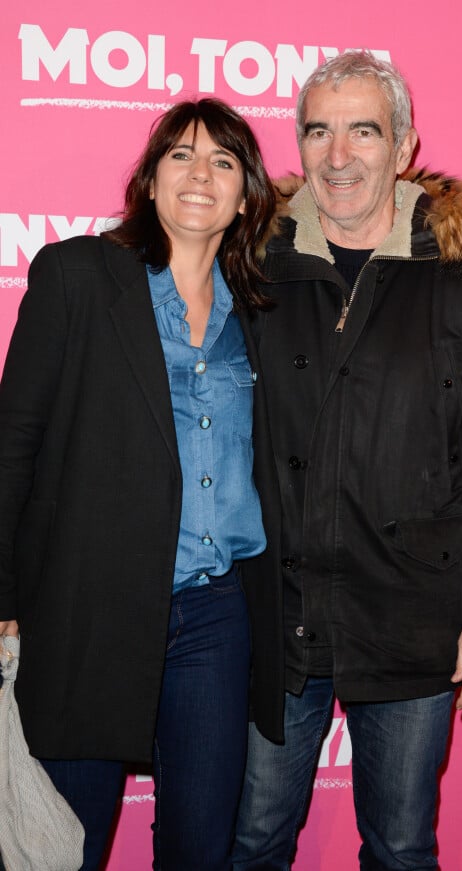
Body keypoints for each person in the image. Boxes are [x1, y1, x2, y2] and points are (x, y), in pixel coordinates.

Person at [233, 51, 462, 871]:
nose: (339, 156)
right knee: (252, 840)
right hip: (277, 615)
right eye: (319, 131)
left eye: (363, 130)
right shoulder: (251, 268)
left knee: (402, 847)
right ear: (297, 146)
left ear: (405, 144)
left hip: (415, 617)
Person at [0, 97, 275, 871]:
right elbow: (14, 443)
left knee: (199, 850)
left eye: (223, 161)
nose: (200, 174)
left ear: (246, 193)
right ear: (150, 179)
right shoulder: (78, 276)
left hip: (215, 618)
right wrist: (5, 601)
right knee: (63, 847)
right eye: (180, 155)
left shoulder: (256, 313)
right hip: (88, 606)